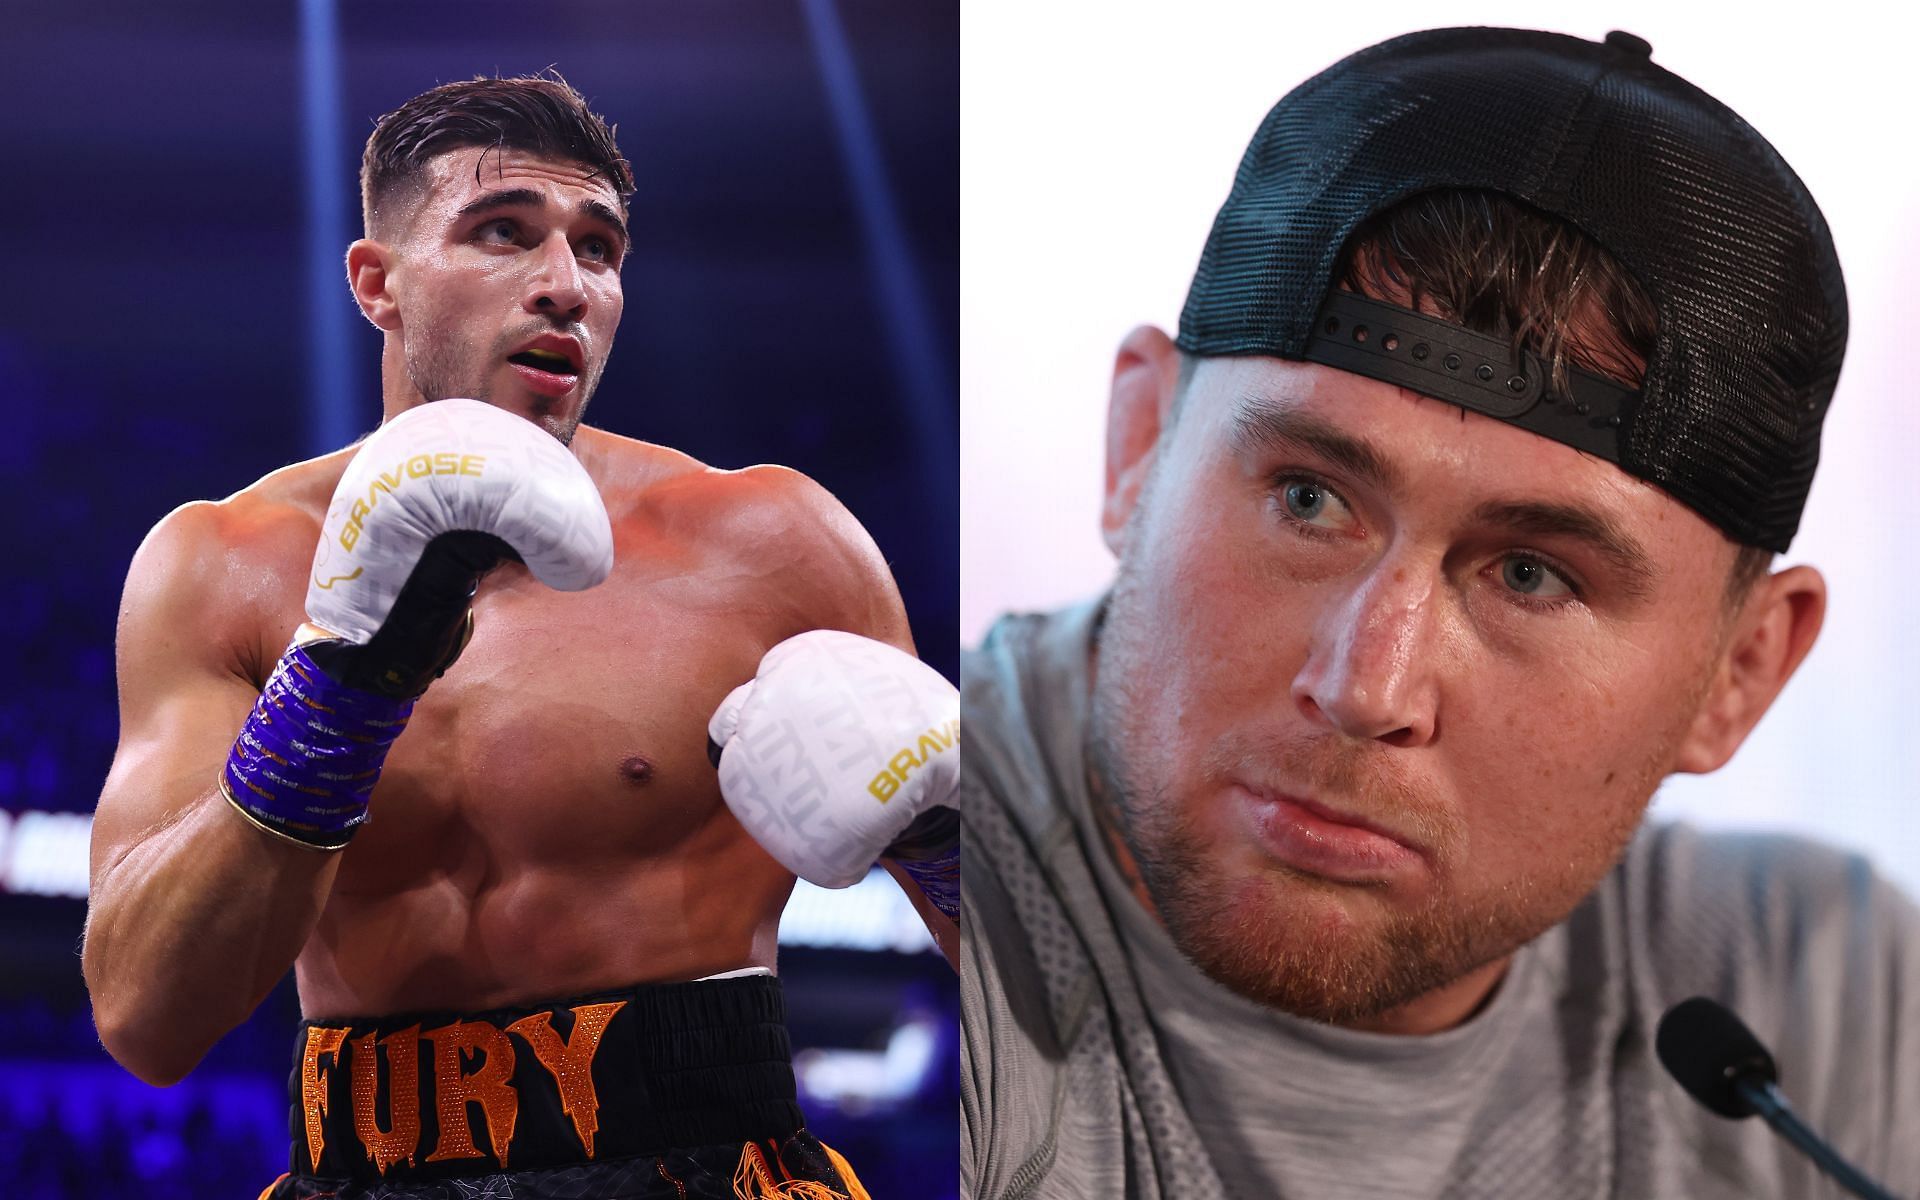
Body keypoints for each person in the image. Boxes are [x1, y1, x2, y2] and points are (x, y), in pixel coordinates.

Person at [961, 28, 1918, 1200]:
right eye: (1309, 501)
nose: (1367, 686)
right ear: (1140, 449)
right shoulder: (927, 890)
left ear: (1742, 673)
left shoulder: (1829, 996)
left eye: (1531, 576)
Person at [83, 74, 957, 1200]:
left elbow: (1042, 985)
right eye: (504, 233)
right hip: (362, 1167)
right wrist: (343, 683)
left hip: (712, 1166)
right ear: (377, 283)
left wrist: (951, 843)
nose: (565, 285)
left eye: (599, 249)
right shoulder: (220, 564)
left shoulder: (771, 545)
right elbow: (145, 1018)